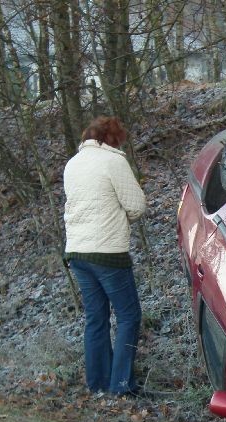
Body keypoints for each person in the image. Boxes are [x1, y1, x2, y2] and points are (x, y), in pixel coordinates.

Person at [63, 116, 146, 396]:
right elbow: (136, 206)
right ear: (113, 139)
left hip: (77, 252)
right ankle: (122, 386)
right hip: (108, 252)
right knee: (128, 316)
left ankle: (97, 383)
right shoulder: (114, 162)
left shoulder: (72, 165)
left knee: (95, 318)